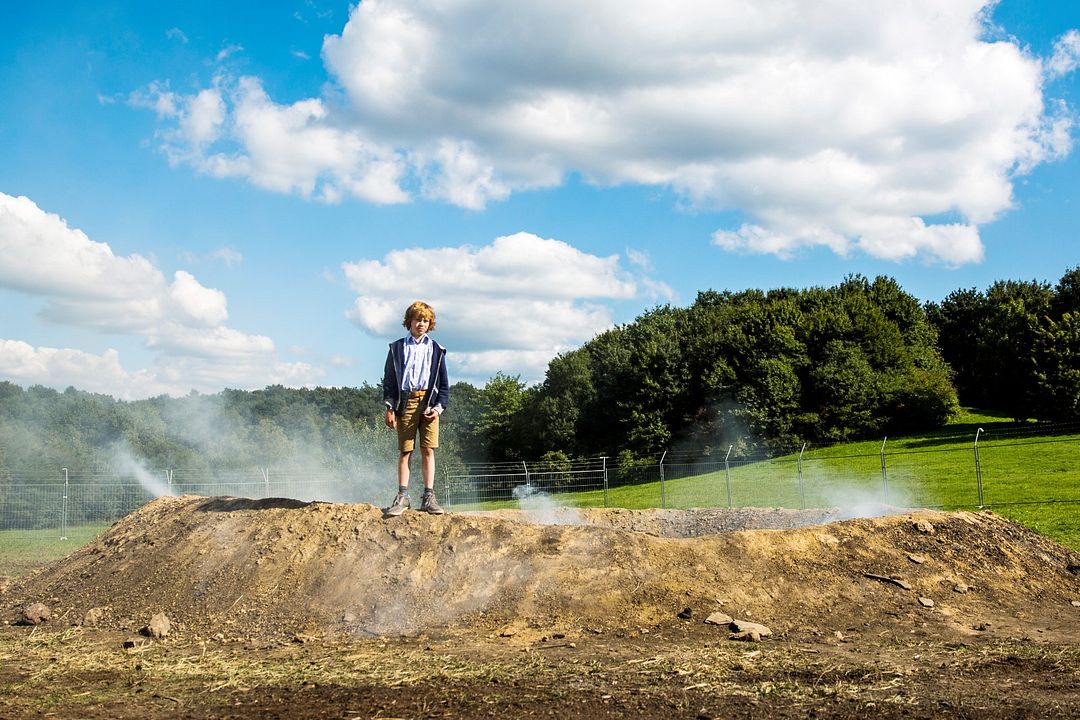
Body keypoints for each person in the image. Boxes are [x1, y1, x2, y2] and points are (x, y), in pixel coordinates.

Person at [382, 300, 450, 516]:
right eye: (417, 319)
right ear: (409, 321)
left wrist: (438, 408)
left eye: (425, 320)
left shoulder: (437, 349)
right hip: (406, 402)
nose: (421, 323)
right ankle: (402, 496)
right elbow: (390, 382)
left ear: (430, 324)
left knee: (428, 449)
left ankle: (429, 497)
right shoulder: (397, 348)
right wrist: (390, 408)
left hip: (429, 404)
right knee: (405, 451)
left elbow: (444, 386)